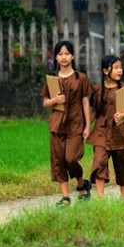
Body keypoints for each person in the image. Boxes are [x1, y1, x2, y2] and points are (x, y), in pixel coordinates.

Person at [40, 40, 93, 206]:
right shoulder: (52, 80)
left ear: (73, 56)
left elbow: (86, 103)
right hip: (57, 125)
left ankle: (80, 182)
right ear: (56, 57)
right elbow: (46, 103)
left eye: (67, 54)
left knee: (71, 158)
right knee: (59, 161)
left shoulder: (81, 78)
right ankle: (65, 197)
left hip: (76, 124)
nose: (64, 57)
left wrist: (87, 126)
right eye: (60, 54)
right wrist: (55, 100)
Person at [86, 55, 124, 199]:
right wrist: (87, 128)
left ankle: (123, 199)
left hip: (121, 134)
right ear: (105, 71)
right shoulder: (97, 90)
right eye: (115, 68)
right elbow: (93, 111)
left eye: (120, 67)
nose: (119, 71)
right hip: (101, 132)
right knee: (99, 162)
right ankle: (100, 199)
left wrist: (123, 115)